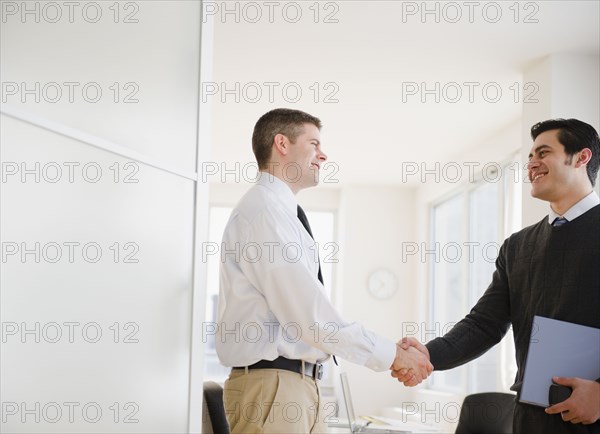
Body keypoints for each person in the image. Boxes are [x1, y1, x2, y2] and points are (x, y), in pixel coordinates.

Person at [216, 108, 432, 434]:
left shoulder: (282, 214)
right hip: (275, 389)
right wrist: (392, 356)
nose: (324, 154)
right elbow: (309, 317)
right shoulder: (264, 214)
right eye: (314, 143)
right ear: (282, 144)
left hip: (295, 386)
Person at [394, 118, 600, 433]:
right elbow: (483, 325)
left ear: (582, 158)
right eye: (530, 156)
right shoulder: (518, 246)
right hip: (531, 416)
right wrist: (428, 354)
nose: (532, 164)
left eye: (543, 153)